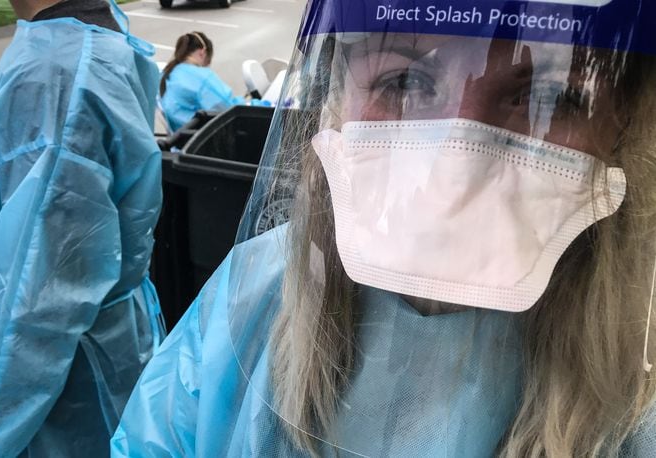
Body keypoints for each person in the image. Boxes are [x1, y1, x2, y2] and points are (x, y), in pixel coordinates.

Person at [112, 0, 656, 456]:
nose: (452, 177)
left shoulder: (640, 389)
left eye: (549, 98)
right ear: (333, 103)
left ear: (626, 127)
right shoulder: (254, 292)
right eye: (403, 80)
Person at [0, 0, 165, 456]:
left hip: (66, 373)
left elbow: (43, 298)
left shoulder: (56, 73)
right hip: (101, 340)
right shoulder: (81, 35)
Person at [160, 31, 246, 131]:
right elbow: (227, 109)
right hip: (202, 138)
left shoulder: (169, 73)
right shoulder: (199, 76)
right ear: (203, 52)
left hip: (181, 138)